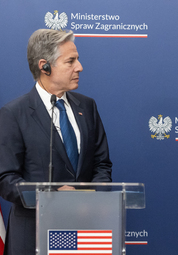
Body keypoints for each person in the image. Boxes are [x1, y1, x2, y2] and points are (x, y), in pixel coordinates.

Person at [0, 29, 112, 254]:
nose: (79, 67)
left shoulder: (87, 107)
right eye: (71, 61)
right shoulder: (14, 114)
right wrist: (50, 194)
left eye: (77, 59)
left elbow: (102, 165)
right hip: (34, 235)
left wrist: (91, 197)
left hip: (84, 230)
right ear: (45, 66)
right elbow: (6, 179)